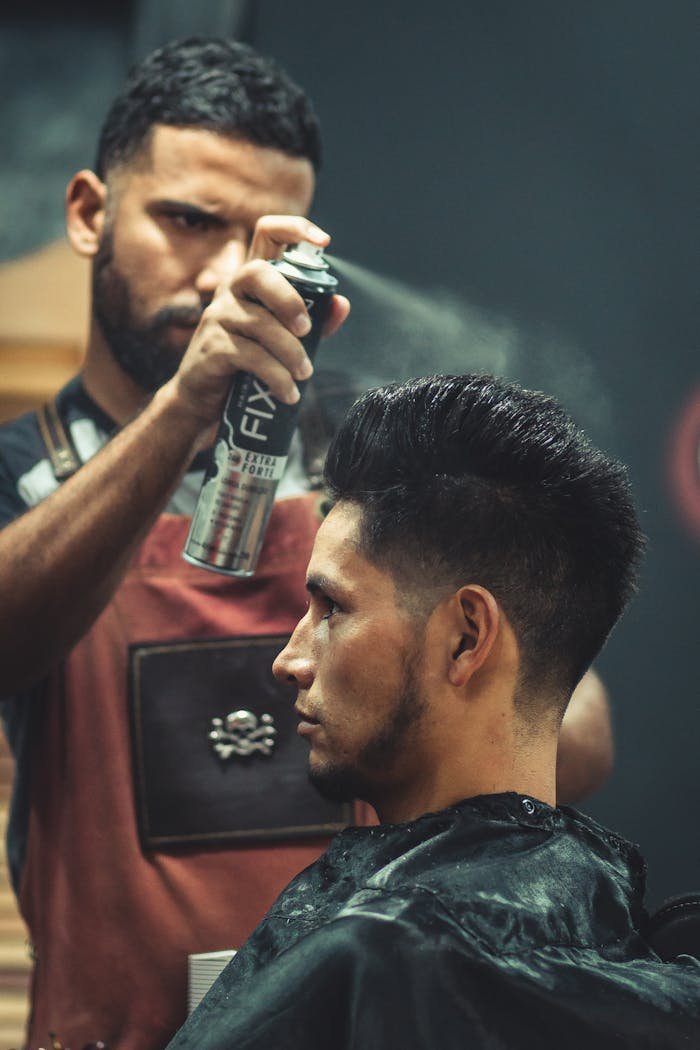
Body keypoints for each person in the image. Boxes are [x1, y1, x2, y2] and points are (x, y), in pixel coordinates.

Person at [0, 38, 611, 1050]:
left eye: (260, 243)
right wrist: (187, 408)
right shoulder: (23, 473)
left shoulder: (368, 478)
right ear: (89, 214)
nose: (224, 276)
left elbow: (572, 732)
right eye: (187, 222)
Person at [167, 373, 699, 1050]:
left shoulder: (375, 959)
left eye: (333, 609)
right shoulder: (626, 953)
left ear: (467, 638)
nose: (289, 660)